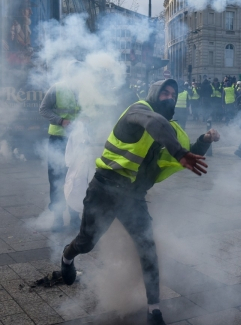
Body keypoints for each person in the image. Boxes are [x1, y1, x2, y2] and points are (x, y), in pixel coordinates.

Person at [59, 79, 220, 325]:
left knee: (147, 250)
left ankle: (154, 310)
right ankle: (67, 257)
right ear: (154, 94)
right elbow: (153, 122)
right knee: (87, 242)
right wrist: (179, 152)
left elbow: (188, 153)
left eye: (173, 94)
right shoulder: (137, 111)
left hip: (133, 198)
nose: (169, 97)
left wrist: (205, 140)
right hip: (104, 188)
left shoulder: (172, 130)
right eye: (164, 92)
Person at [39, 82, 80, 231]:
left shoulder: (87, 88)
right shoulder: (57, 88)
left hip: (78, 140)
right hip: (58, 139)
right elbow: (43, 109)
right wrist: (61, 121)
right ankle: (58, 218)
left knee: (76, 178)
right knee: (57, 178)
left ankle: (75, 216)